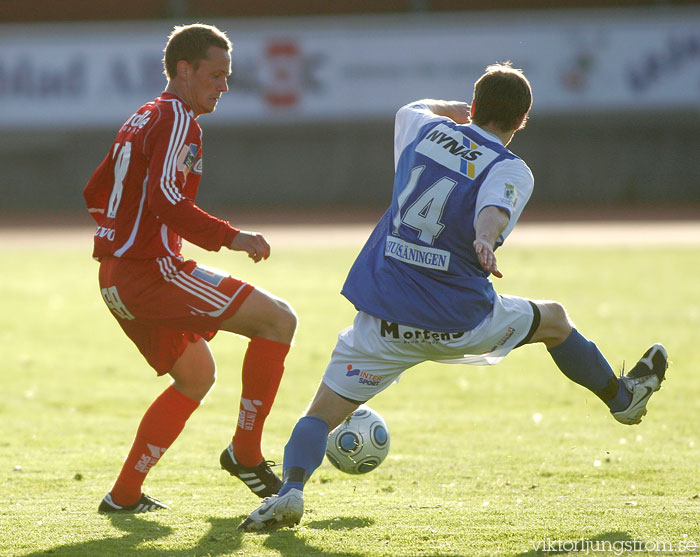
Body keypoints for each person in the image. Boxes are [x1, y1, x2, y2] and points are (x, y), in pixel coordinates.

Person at [238, 62, 668, 532]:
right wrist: (486, 238)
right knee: (555, 321)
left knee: (319, 417)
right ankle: (621, 399)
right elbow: (493, 209)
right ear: (523, 121)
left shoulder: (422, 127)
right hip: (461, 323)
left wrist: (452, 110)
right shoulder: (512, 168)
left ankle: (292, 491)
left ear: (474, 106)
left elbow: (414, 106)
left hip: (384, 325)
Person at [83, 23, 297, 514]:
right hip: (149, 272)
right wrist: (231, 237)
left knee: (196, 374)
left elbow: (96, 192)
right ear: (184, 70)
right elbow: (165, 199)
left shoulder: (141, 117)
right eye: (216, 75)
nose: (224, 85)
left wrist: (124, 236)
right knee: (279, 320)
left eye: (227, 76)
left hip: (115, 276)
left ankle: (124, 496)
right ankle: (245, 453)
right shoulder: (179, 118)